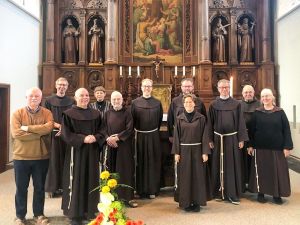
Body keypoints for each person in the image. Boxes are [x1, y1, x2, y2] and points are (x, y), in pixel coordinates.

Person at [61, 88, 104, 225]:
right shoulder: (68, 114)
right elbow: (66, 134)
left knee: (91, 179)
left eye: (86, 95)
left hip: (92, 151)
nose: (84, 97)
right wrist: (82, 139)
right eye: (81, 95)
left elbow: (102, 131)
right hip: (77, 151)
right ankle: (75, 214)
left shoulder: (96, 114)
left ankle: (89, 211)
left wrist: (95, 137)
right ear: (75, 97)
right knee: (76, 179)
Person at [11, 87, 54, 225]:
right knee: (21, 188)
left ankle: (39, 214)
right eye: (31, 96)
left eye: (37, 96)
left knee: (40, 188)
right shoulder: (17, 113)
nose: (34, 98)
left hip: (41, 157)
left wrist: (27, 128)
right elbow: (17, 134)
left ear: (41, 98)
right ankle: (20, 216)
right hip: (21, 157)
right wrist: (39, 133)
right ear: (26, 97)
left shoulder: (47, 113)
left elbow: (48, 127)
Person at [247, 88, 293, 204]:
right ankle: (261, 193)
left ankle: (276, 194)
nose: (265, 98)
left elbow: (286, 130)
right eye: (263, 96)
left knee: (276, 172)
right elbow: (251, 131)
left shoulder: (280, 112)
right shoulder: (257, 112)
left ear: (272, 97)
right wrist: (250, 145)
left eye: (267, 96)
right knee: (262, 172)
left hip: (277, 148)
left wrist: (287, 146)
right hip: (260, 147)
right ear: (261, 99)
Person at [207, 79, 248, 205]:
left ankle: (232, 193)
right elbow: (210, 123)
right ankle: (219, 192)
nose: (224, 89)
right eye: (222, 87)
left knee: (232, 165)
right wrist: (209, 139)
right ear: (218, 89)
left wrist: (241, 138)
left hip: (232, 139)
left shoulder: (236, 104)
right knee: (217, 164)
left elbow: (241, 121)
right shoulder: (213, 104)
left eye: (226, 87)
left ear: (229, 88)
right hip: (217, 139)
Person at [172, 94, 211, 212]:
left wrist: (205, 152)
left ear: (194, 104)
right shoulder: (179, 118)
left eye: (190, 102)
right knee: (185, 177)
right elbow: (176, 137)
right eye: (186, 102)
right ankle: (185, 202)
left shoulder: (201, 118)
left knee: (197, 177)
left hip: (198, 151)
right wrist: (176, 153)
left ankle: (197, 202)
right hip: (183, 151)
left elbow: (205, 136)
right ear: (183, 104)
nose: (188, 104)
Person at [102, 91, 138, 208]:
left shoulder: (127, 113)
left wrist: (117, 137)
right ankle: (112, 197)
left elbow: (130, 129)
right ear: (111, 101)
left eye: (118, 99)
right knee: (112, 170)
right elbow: (103, 129)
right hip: (111, 146)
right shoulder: (107, 113)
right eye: (114, 99)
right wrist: (108, 138)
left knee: (125, 171)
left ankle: (128, 198)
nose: (116, 101)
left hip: (124, 146)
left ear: (122, 100)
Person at [131, 78, 163, 199]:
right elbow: (132, 120)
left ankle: (152, 190)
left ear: (152, 88)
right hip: (139, 136)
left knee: (152, 162)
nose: (147, 88)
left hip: (153, 136)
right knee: (140, 162)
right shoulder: (135, 103)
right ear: (141, 87)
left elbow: (159, 120)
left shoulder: (157, 103)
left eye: (149, 86)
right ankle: (140, 190)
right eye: (145, 86)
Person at [44, 77, 75, 197]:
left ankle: (65, 186)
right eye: (60, 85)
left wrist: (64, 128)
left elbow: (73, 116)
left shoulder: (71, 101)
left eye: (64, 85)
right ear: (56, 86)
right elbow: (45, 117)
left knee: (67, 160)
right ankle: (52, 187)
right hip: (54, 134)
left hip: (67, 135)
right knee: (54, 161)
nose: (62, 87)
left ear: (67, 87)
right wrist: (58, 125)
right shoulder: (49, 100)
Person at [167, 78, 207, 143]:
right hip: (179, 134)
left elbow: (205, 119)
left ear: (193, 87)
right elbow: (170, 119)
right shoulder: (175, 101)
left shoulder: (199, 101)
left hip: (196, 134)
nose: (187, 88)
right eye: (185, 86)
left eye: (189, 86)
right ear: (181, 87)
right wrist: (171, 135)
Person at [240, 85, 260, 186]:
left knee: (254, 161)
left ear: (254, 92)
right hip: (242, 137)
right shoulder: (238, 104)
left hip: (255, 137)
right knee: (242, 160)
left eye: (250, 92)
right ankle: (243, 182)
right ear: (242, 94)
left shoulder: (260, 104)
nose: (248, 94)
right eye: (246, 92)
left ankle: (253, 183)